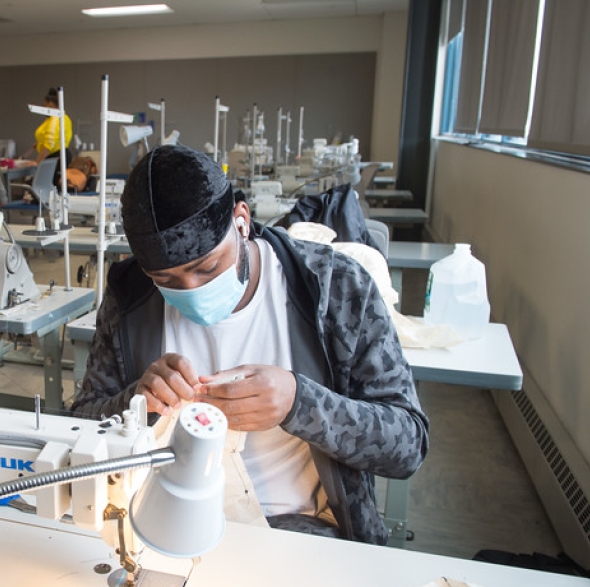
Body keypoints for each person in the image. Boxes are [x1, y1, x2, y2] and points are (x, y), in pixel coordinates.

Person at [71, 145, 428, 545]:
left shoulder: (335, 287)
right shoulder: (130, 297)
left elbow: (408, 444)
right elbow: (79, 424)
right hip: (163, 520)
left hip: (301, 528)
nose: (193, 290)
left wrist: (300, 402)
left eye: (207, 267)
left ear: (241, 221)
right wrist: (135, 402)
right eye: (167, 281)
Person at [31, 87, 73, 165]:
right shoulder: (55, 119)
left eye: (44, 105)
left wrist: (37, 163)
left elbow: (49, 143)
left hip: (57, 158)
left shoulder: (56, 118)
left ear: (50, 104)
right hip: (57, 156)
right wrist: (39, 144)